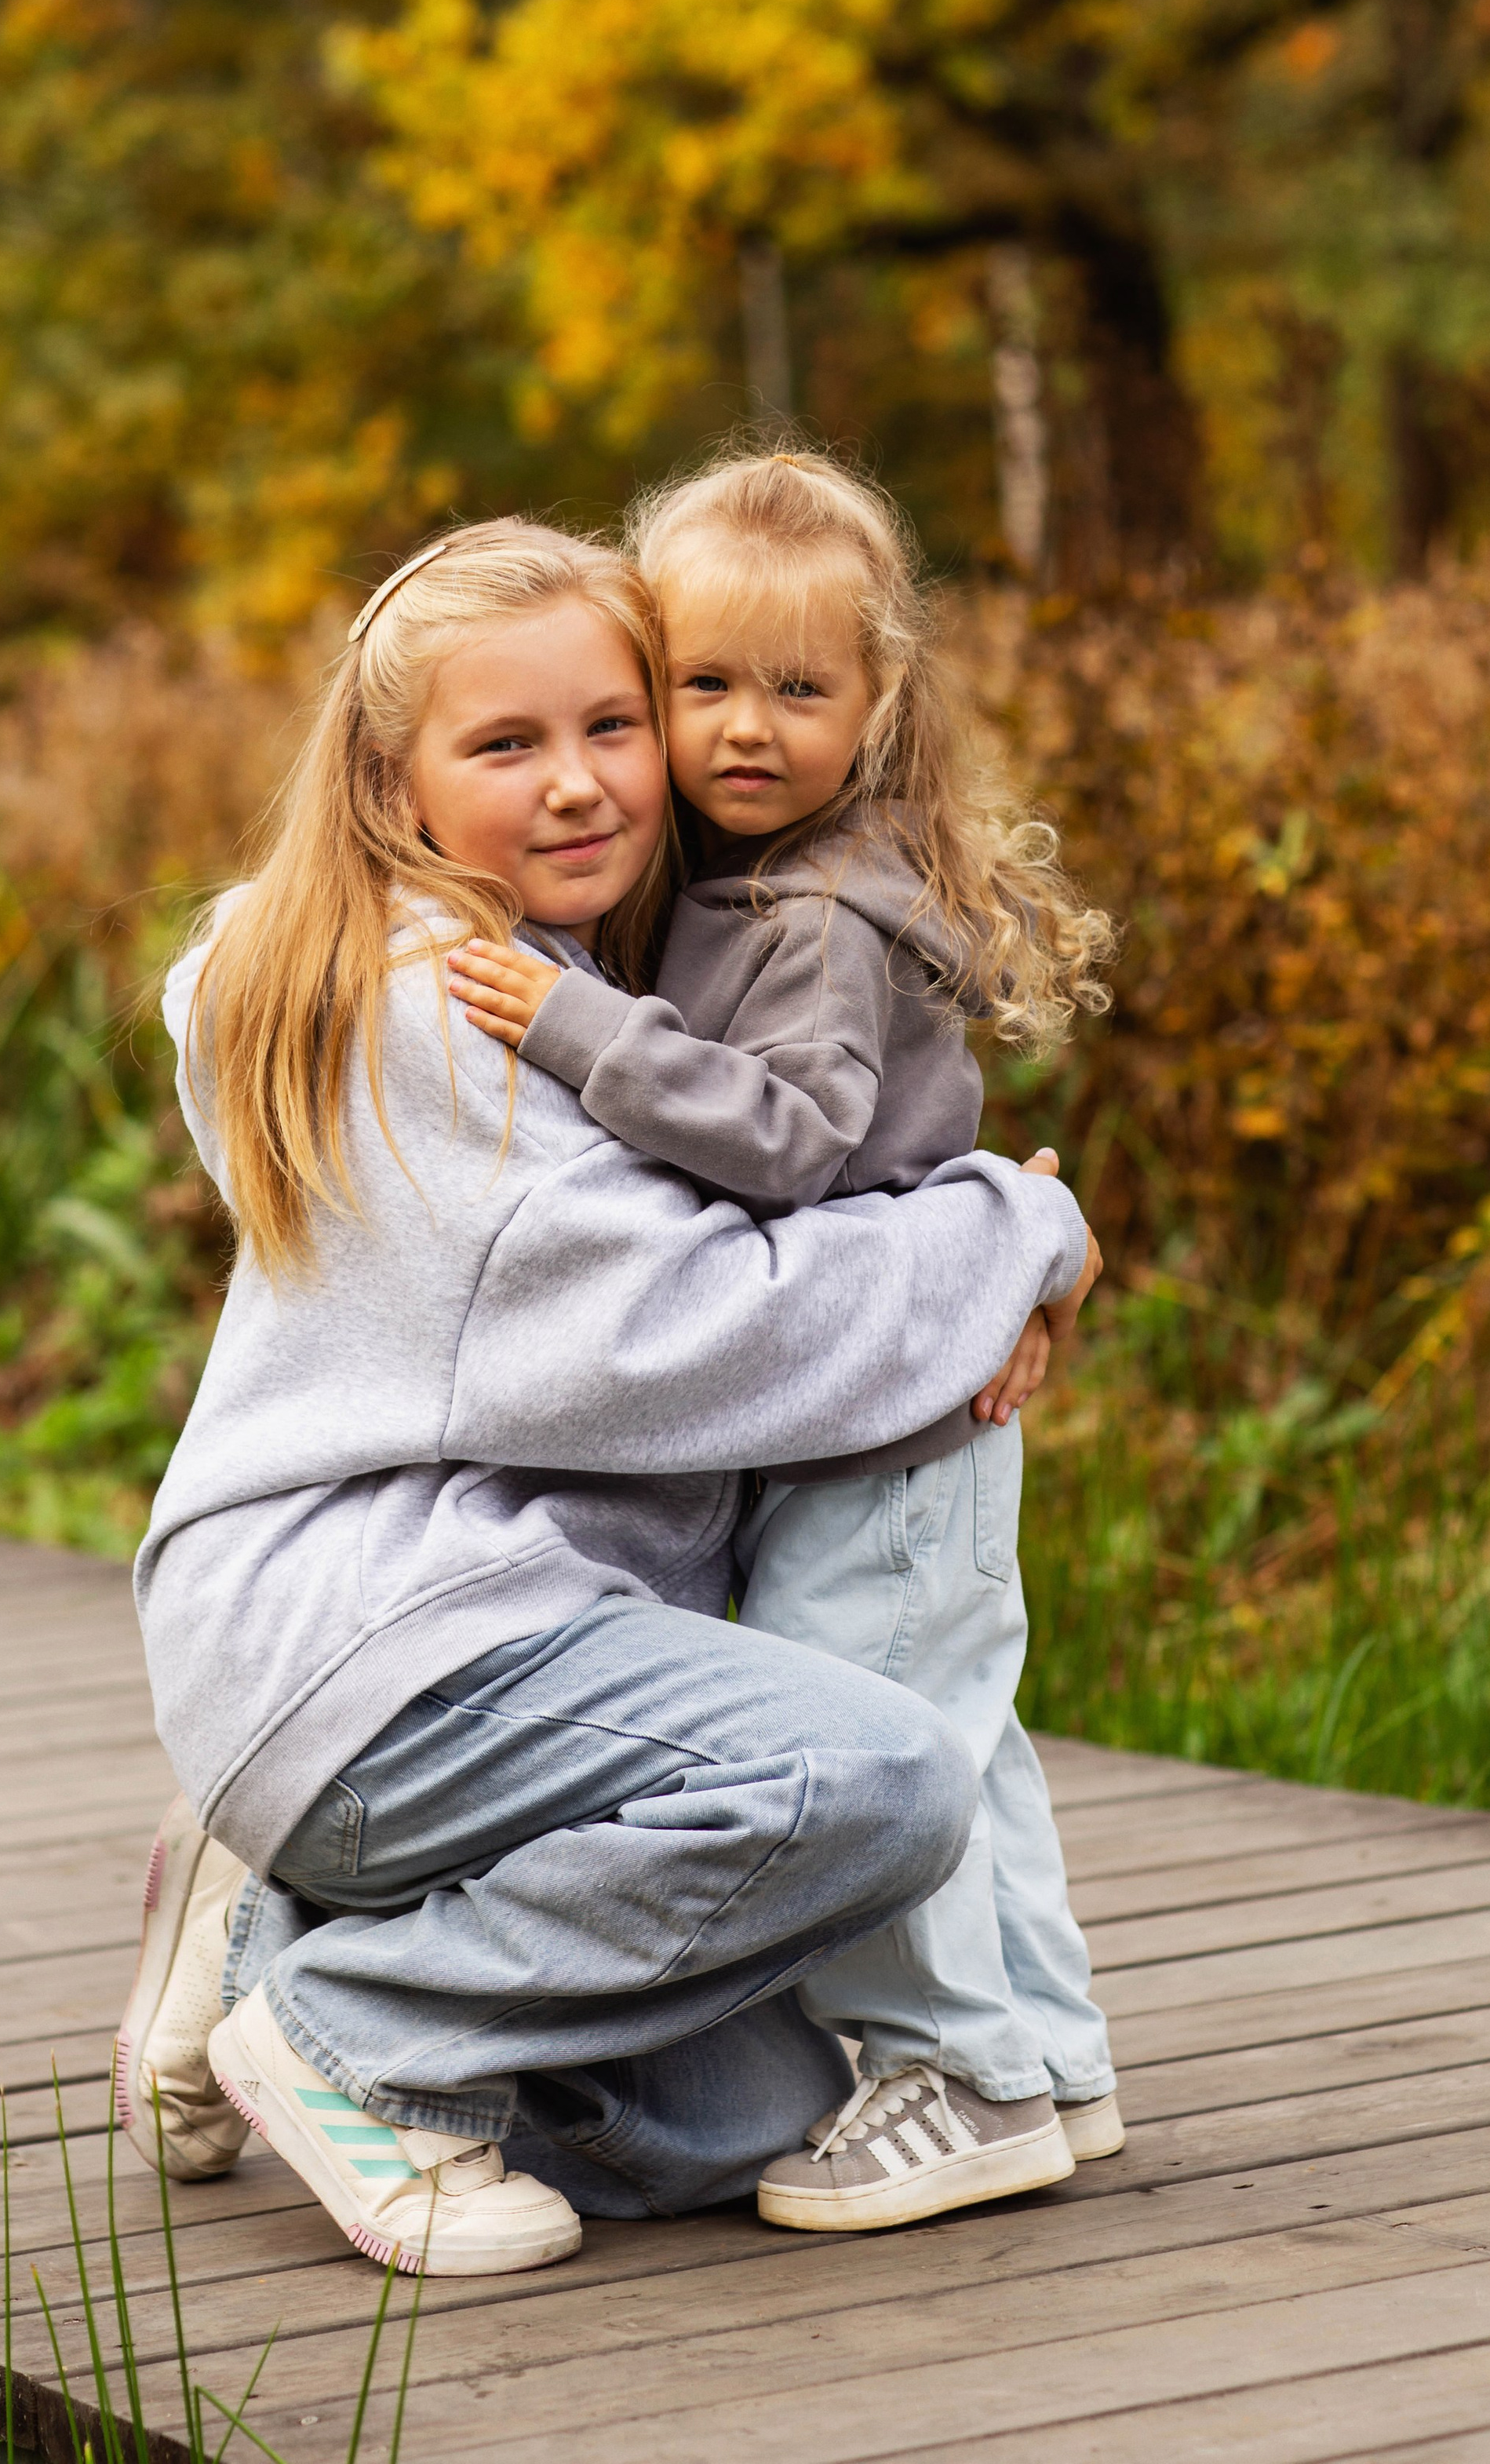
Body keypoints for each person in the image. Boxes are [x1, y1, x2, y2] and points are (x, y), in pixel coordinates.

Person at [115, 516, 1098, 2278]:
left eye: (611, 726)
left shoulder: (548, 970)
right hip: (392, 1642)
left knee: (747, 2115)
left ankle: (284, 1926)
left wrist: (976, 1251)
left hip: (463, 1643)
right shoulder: (428, 1015)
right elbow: (697, 1336)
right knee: (875, 1782)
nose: (578, 786)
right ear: (390, 778)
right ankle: (362, 2041)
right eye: (505, 745)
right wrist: (1013, 1228)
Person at [446, 444, 1118, 2236]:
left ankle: (954, 2076)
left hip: (882, 1424)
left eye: (798, 689)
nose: (746, 728)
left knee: (883, 1747)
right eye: (704, 685)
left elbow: (798, 1137)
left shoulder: (812, 915)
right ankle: (1049, 2059)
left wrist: (577, 1025)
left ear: (876, 701)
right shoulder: (773, 886)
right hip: (898, 1409)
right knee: (968, 1739)